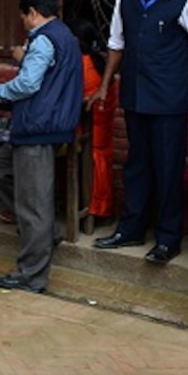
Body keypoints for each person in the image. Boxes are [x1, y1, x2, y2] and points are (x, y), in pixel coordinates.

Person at [90, 0, 188, 264]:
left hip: (170, 102)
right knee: (136, 167)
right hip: (135, 97)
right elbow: (116, 44)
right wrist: (106, 85)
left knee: (167, 169)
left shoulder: (183, 2)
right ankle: (131, 228)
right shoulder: (126, 0)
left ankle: (167, 238)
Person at [0, 0, 83, 293]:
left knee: (34, 205)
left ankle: (31, 275)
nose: (24, 24)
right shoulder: (65, 35)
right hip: (40, 125)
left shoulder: (44, 39)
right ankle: (45, 231)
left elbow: (28, 83)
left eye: (24, 17)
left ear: (33, 13)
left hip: (37, 127)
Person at [66, 15, 117, 221]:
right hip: (103, 126)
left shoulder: (81, 64)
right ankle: (100, 207)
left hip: (86, 130)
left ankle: (92, 208)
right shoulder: (99, 61)